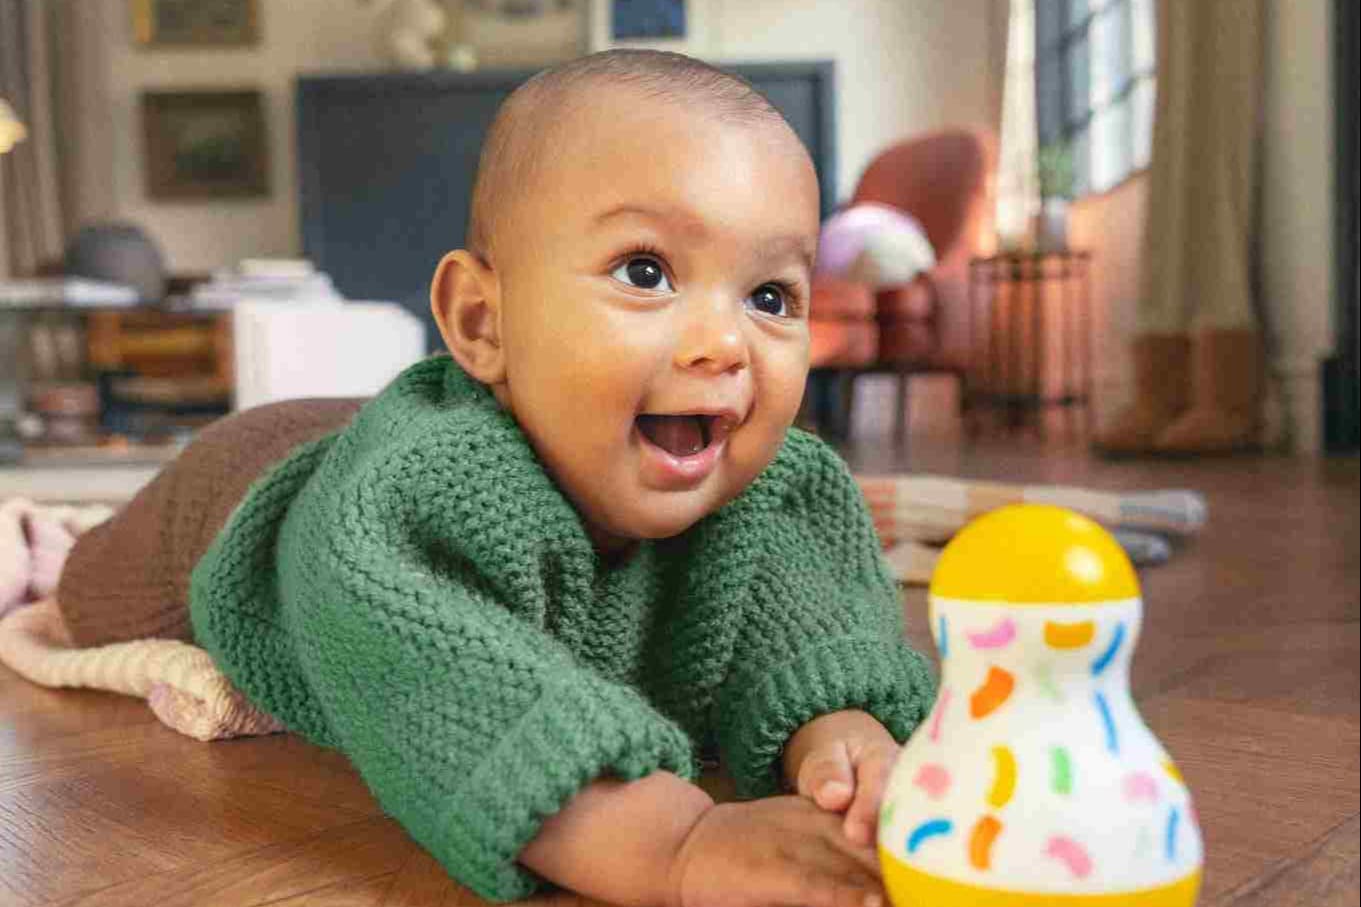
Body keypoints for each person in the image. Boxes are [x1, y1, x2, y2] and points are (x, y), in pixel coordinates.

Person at [54, 50, 936, 906]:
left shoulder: (768, 485)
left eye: (770, 296)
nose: (723, 343)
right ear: (482, 321)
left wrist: (842, 730)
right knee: (85, 587)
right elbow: (440, 676)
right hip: (236, 490)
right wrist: (674, 842)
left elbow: (813, 620)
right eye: (646, 271)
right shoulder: (412, 502)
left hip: (367, 436)